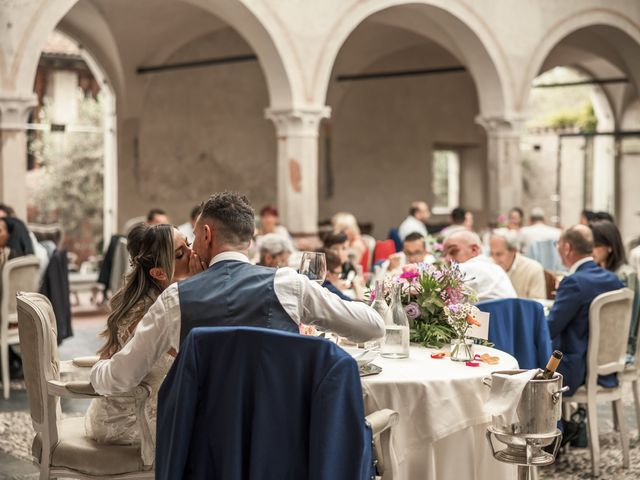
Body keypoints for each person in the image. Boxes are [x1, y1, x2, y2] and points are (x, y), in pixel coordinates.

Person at [91, 192, 384, 395]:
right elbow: (372, 328)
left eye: (194, 237)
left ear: (206, 235)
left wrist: (96, 371)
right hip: (280, 446)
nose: (193, 246)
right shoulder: (290, 285)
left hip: (204, 451)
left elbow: (120, 378)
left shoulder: (175, 299)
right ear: (250, 238)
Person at [85, 223, 201, 445]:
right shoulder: (150, 313)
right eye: (180, 253)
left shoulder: (164, 297)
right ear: (159, 272)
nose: (191, 253)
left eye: (188, 243)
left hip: (158, 406)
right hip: (131, 421)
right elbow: (191, 356)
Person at [547, 225, 625, 395]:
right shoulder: (614, 280)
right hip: (607, 370)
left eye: (558, 244)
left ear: (567, 248)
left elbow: (550, 328)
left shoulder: (574, 283)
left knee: (526, 353)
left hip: (575, 371)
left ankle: (550, 421)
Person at [589, 220, 639, 356]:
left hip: (615, 348)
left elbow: (629, 323)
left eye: (596, 245)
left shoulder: (626, 275)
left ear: (610, 246)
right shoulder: (596, 273)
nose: (591, 250)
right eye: (589, 245)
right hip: (597, 341)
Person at [443, 230, 517, 302]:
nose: (447, 259)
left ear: (474, 249)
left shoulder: (462, 269)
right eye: (444, 255)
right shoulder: (499, 270)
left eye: (453, 251)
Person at [489, 230, 546, 299]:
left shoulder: (533, 269)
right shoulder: (487, 267)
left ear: (513, 251)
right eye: (491, 254)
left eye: (499, 254)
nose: (494, 259)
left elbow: (537, 304)